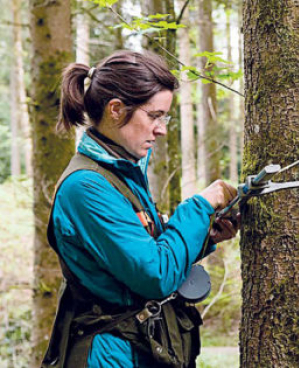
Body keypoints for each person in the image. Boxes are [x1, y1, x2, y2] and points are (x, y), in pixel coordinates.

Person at [41, 50, 238, 368]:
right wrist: (199, 208)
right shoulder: (86, 187)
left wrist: (204, 235)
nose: (161, 129)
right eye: (154, 115)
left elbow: (139, 255)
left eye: (165, 117)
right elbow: (154, 275)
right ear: (116, 110)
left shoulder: (122, 173)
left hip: (136, 348)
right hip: (110, 355)